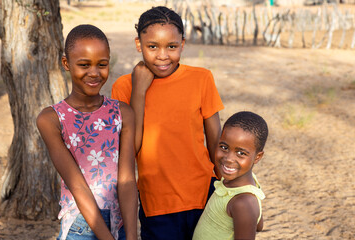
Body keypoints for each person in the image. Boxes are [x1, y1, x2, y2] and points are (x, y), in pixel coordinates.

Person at [111, 6, 224, 240]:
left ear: (182, 44)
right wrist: (139, 91)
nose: (162, 55)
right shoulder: (124, 87)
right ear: (138, 45)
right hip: (157, 205)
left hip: (205, 196)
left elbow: (216, 142)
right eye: (152, 46)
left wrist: (230, 188)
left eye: (171, 47)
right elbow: (132, 148)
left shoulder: (201, 79)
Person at [36, 24, 138, 240]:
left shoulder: (122, 113)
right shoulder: (52, 119)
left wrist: (130, 234)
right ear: (66, 63)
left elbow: (127, 179)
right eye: (84, 65)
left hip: (118, 221)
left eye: (102, 64)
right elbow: (77, 185)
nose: (94, 73)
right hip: (80, 224)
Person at [192, 111, 268, 240]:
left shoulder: (242, 202)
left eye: (241, 153)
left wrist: (247, 215)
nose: (228, 158)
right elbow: (258, 225)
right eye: (224, 147)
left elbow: (253, 219)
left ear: (258, 157)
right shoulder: (235, 183)